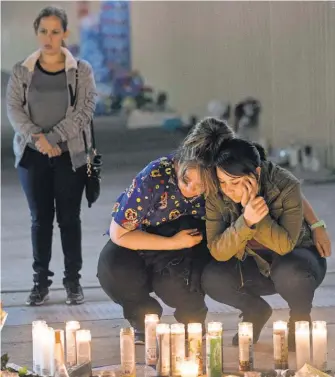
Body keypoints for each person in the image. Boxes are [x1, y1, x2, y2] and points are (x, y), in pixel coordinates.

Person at [97, 117, 330, 344]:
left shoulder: (229, 172)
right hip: (146, 238)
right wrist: (174, 243)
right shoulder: (156, 177)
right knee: (115, 268)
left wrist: (316, 224)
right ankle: (142, 319)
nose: (190, 189)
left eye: (202, 185)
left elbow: (283, 184)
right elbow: (119, 233)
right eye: (186, 177)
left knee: (185, 282)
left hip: (192, 241)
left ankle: (194, 322)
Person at [199, 136, 330, 350]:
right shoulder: (216, 194)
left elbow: (285, 245)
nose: (228, 189)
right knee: (213, 278)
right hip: (253, 263)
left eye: (234, 182)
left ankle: (299, 318)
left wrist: (255, 213)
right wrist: (245, 221)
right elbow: (218, 250)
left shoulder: (284, 185)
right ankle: (255, 311)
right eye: (222, 181)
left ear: (256, 174)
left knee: (292, 274)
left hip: (297, 260)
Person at [6, 6, 97, 306]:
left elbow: (85, 111)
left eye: (55, 31)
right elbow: (14, 110)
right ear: (37, 33)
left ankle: (73, 283)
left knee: (69, 219)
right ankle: (40, 283)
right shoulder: (22, 70)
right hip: (32, 156)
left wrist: (53, 138)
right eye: (43, 31)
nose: (49, 37)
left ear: (65, 34)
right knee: (40, 220)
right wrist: (38, 139)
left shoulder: (81, 70)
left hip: (69, 155)